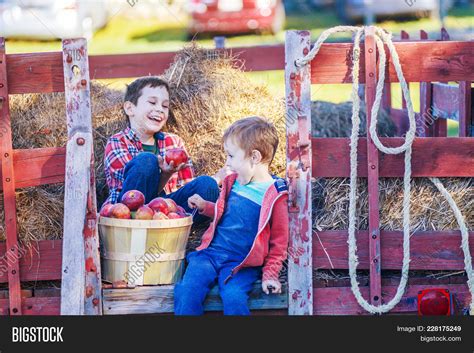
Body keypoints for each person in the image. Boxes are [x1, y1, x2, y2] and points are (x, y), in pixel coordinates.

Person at [174, 116, 289, 315]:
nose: (227, 163)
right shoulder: (232, 182)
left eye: (231, 156)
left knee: (234, 297)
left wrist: (270, 274)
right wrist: (205, 206)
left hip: (241, 263)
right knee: (188, 289)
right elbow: (225, 212)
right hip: (210, 255)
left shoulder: (274, 195)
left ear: (254, 157)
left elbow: (279, 242)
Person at [103, 76, 225, 224]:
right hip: (129, 214)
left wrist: (216, 179)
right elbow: (132, 195)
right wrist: (165, 175)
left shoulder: (174, 142)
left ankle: (174, 228)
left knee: (207, 185)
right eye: (152, 102)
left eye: (165, 106)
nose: (160, 109)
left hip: (166, 210)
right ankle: (143, 230)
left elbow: (186, 188)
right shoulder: (117, 142)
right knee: (146, 160)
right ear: (130, 108)